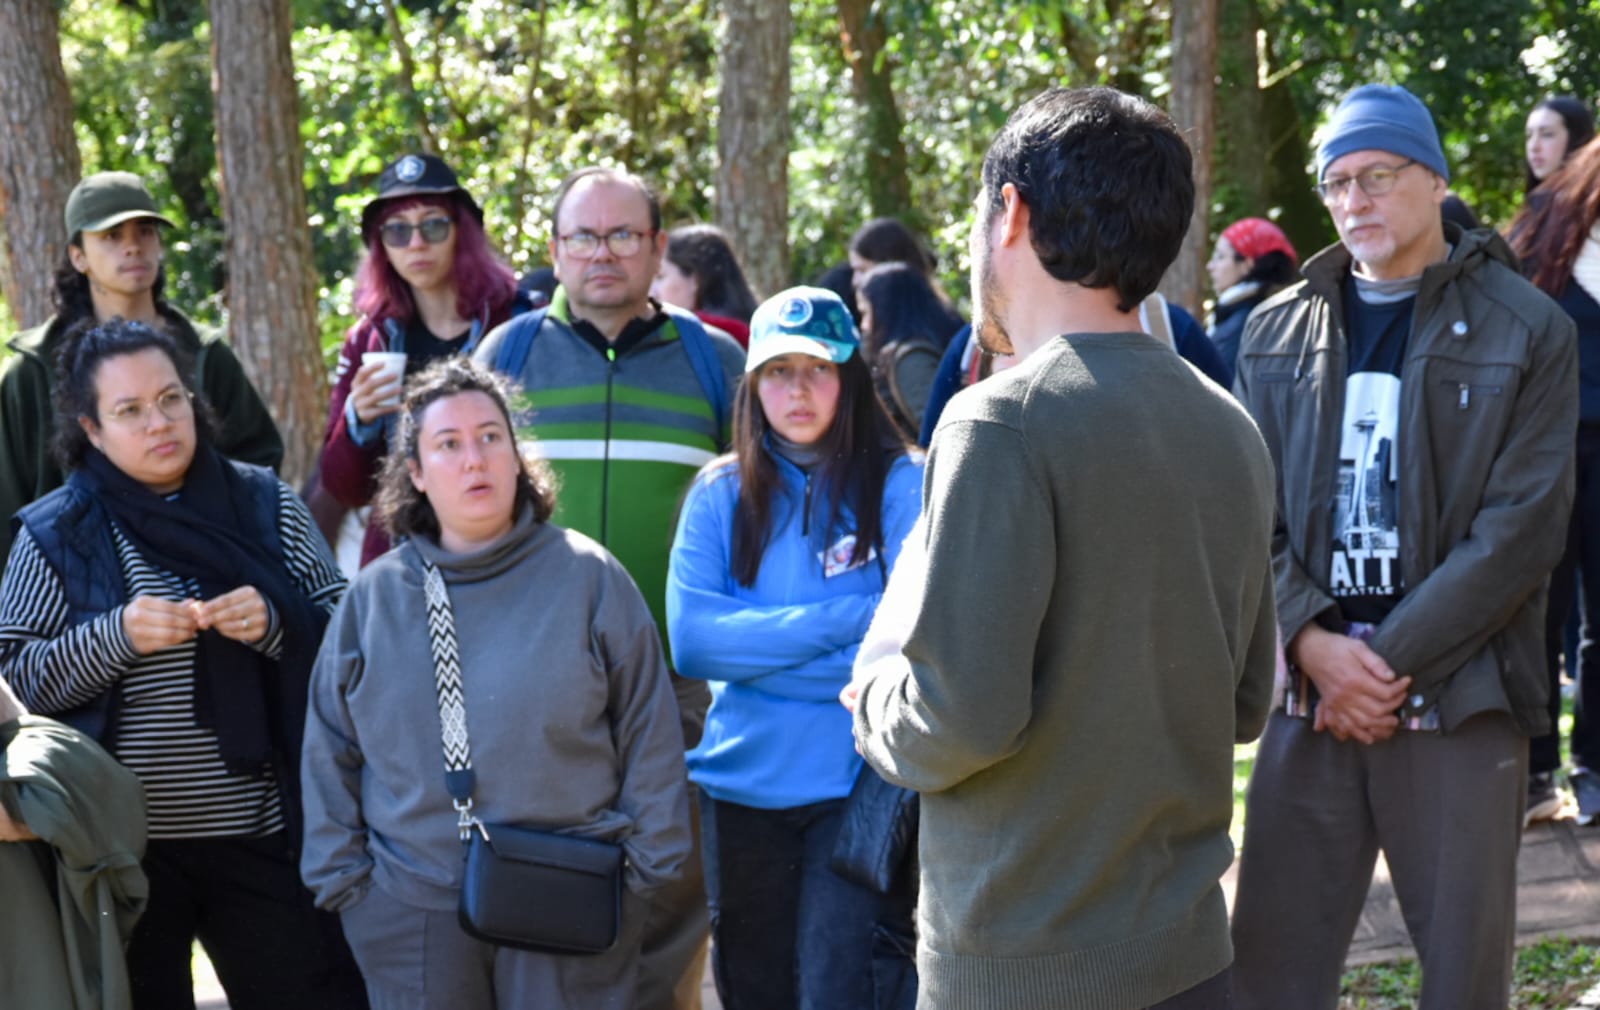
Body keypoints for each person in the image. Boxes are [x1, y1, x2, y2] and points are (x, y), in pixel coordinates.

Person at [849, 86, 1279, 1010]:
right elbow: (1248, 699)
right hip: (1191, 955)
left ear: (1010, 211)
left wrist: (876, 692)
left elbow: (962, 717)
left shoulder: (998, 421)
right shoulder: (1228, 425)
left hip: (1022, 967)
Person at [1230, 84, 1577, 1010]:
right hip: (1310, 700)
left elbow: (1523, 529)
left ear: (1434, 177)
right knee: (1267, 971)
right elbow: (1242, 512)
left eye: (1377, 176)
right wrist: (1314, 645)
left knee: (1465, 980)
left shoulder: (1529, 327)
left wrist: (1381, 663)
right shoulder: (1273, 333)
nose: (1354, 202)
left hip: (1460, 699)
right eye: (1337, 182)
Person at [300, 357, 692, 1009]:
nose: (474, 459)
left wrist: (640, 876)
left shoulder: (590, 579)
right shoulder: (375, 598)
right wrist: (350, 888)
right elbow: (328, 749)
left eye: (490, 437)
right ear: (417, 474)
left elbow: (651, 734)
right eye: (448, 445)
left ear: (518, 457)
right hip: (412, 910)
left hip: (571, 896)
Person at [0, 317, 366, 1010]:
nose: (159, 421)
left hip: (270, 837)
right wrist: (115, 637)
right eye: (129, 410)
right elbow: (13, 678)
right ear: (92, 429)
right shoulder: (56, 531)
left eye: (171, 399)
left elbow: (355, 636)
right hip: (120, 858)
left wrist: (276, 621)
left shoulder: (264, 504)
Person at [473, 166, 745, 1010]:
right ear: (554, 251)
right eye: (584, 237)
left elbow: (762, 506)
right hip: (534, 681)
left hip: (678, 681)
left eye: (624, 235)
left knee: (672, 900)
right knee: (549, 894)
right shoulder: (506, 354)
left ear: (659, 248)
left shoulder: (712, 359)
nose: (603, 253)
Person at [667, 287, 923, 1010]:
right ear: (753, 385)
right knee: (754, 991)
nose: (798, 389)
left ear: (851, 378)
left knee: (838, 991)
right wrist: (849, 619)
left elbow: (913, 637)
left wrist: (759, 654)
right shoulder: (719, 492)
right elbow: (692, 641)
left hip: (857, 784)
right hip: (737, 790)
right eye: (779, 371)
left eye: (819, 368)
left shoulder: (904, 483)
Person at [0, 171, 283, 573]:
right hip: (77, 592)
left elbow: (259, 473)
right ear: (78, 255)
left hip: (207, 578)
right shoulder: (32, 372)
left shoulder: (207, 355)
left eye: (145, 231)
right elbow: (8, 504)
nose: (133, 246)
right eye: (112, 236)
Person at [318, 153, 528, 568]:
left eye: (432, 225)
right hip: (403, 561)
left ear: (461, 232)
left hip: (509, 551)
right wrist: (357, 420)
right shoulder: (370, 338)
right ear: (381, 245)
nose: (416, 244)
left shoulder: (517, 319)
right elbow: (343, 486)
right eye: (397, 231)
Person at [1509, 137, 1600, 827]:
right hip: (1551, 444)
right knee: (1538, 608)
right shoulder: (1547, 219)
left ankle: (1593, 766)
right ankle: (1534, 771)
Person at [856, 262, 963, 440]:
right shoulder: (903, 356)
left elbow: (941, 435)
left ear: (886, 310)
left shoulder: (912, 360)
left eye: (866, 313)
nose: (864, 325)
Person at [1205, 217, 1300, 386]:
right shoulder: (1275, 313)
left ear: (1247, 264)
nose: (1210, 266)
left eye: (1220, 256)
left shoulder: (1245, 322)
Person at [652, 224, 760, 346]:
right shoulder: (762, 332)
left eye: (660, 277)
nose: (652, 292)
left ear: (695, 280)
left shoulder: (687, 337)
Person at [1525, 95, 1595, 194]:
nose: (1533, 147)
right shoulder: (1535, 204)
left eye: (1547, 134)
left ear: (1576, 139)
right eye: (1529, 135)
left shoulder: (1591, 205)